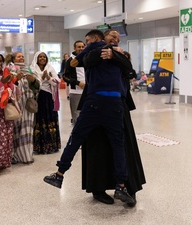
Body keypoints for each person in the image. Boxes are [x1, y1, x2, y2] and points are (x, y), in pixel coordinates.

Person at [43, 29, 135, 204]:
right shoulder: (115, 54)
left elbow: (74, 63)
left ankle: (60, 174)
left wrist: (103, 50)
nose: (84, 45)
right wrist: (114, 53)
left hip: (94, 102)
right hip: (115, 103)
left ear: (94, 39)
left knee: (77, 137)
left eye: (87, 41)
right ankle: (121, 185)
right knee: (118, 144)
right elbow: (129, 69)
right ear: (105, 38)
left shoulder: (95, 53)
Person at [81, 32, 146, 207]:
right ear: (102, 39)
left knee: (124, 146)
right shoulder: (91, 54)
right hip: (95, 105)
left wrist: (115, 54)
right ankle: (98, 188)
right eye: (111, 36)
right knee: (97, 145)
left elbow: (130, 71)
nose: (115, 39)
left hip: (119, 105)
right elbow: (87, 61)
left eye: (117, 38)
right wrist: (106, 52)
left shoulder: (121, 56)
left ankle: (128, 188)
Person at [5, 52, 40, 164]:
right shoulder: (9, 69)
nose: (21, 58)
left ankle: (26, 156)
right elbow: (5, 85)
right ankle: (13, 155)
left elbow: (38, 86)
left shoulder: (29, 70)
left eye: (22, 56)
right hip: (15, 104)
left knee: (27, 130)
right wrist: (15, 80)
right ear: (13, 58)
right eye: (19, 56)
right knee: (15, 129)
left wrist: (33, 80)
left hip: (27, 105)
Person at [30, 51, 61, 154]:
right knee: (39, 119)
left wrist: (48, 77)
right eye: (40, 57)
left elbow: (57, 82)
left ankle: (52, 144)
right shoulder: (33, 68)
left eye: (44, 57)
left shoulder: (50, 68)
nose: (42, 58)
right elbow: (31, 83)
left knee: (50, 118)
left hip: (49, 97)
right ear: (36, 58)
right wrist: (42, 78)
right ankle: (40, 146)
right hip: (38, 97)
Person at [62, 40, 85, 125]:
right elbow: (65, 77)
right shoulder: (70, 60)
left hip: (87, 91)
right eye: (79, 47)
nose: (81, 49)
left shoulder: (87, 58)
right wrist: (78, 83)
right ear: (74, 48)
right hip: (75, 92)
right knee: (77, 116)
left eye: (82, 47)